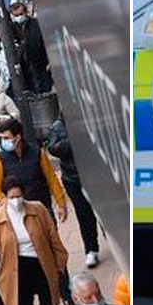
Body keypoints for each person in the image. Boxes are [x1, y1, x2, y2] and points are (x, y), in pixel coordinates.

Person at [46, 114, 100, 268]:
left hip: (95, 174)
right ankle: (91, 250)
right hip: (73, 178)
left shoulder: (87, 117)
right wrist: (74, 141)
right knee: (84, 215)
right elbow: (53, 148)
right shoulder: (57, 127)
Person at [0, 117, 67, 223]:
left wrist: (61, 204)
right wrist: (4, 203)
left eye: (6, 138)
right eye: (2, 138)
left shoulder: (37, 153)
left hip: (42, 207)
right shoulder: (0, 159)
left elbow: (51, 178)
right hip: (18, 211)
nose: (3, 142)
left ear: (18, 137)